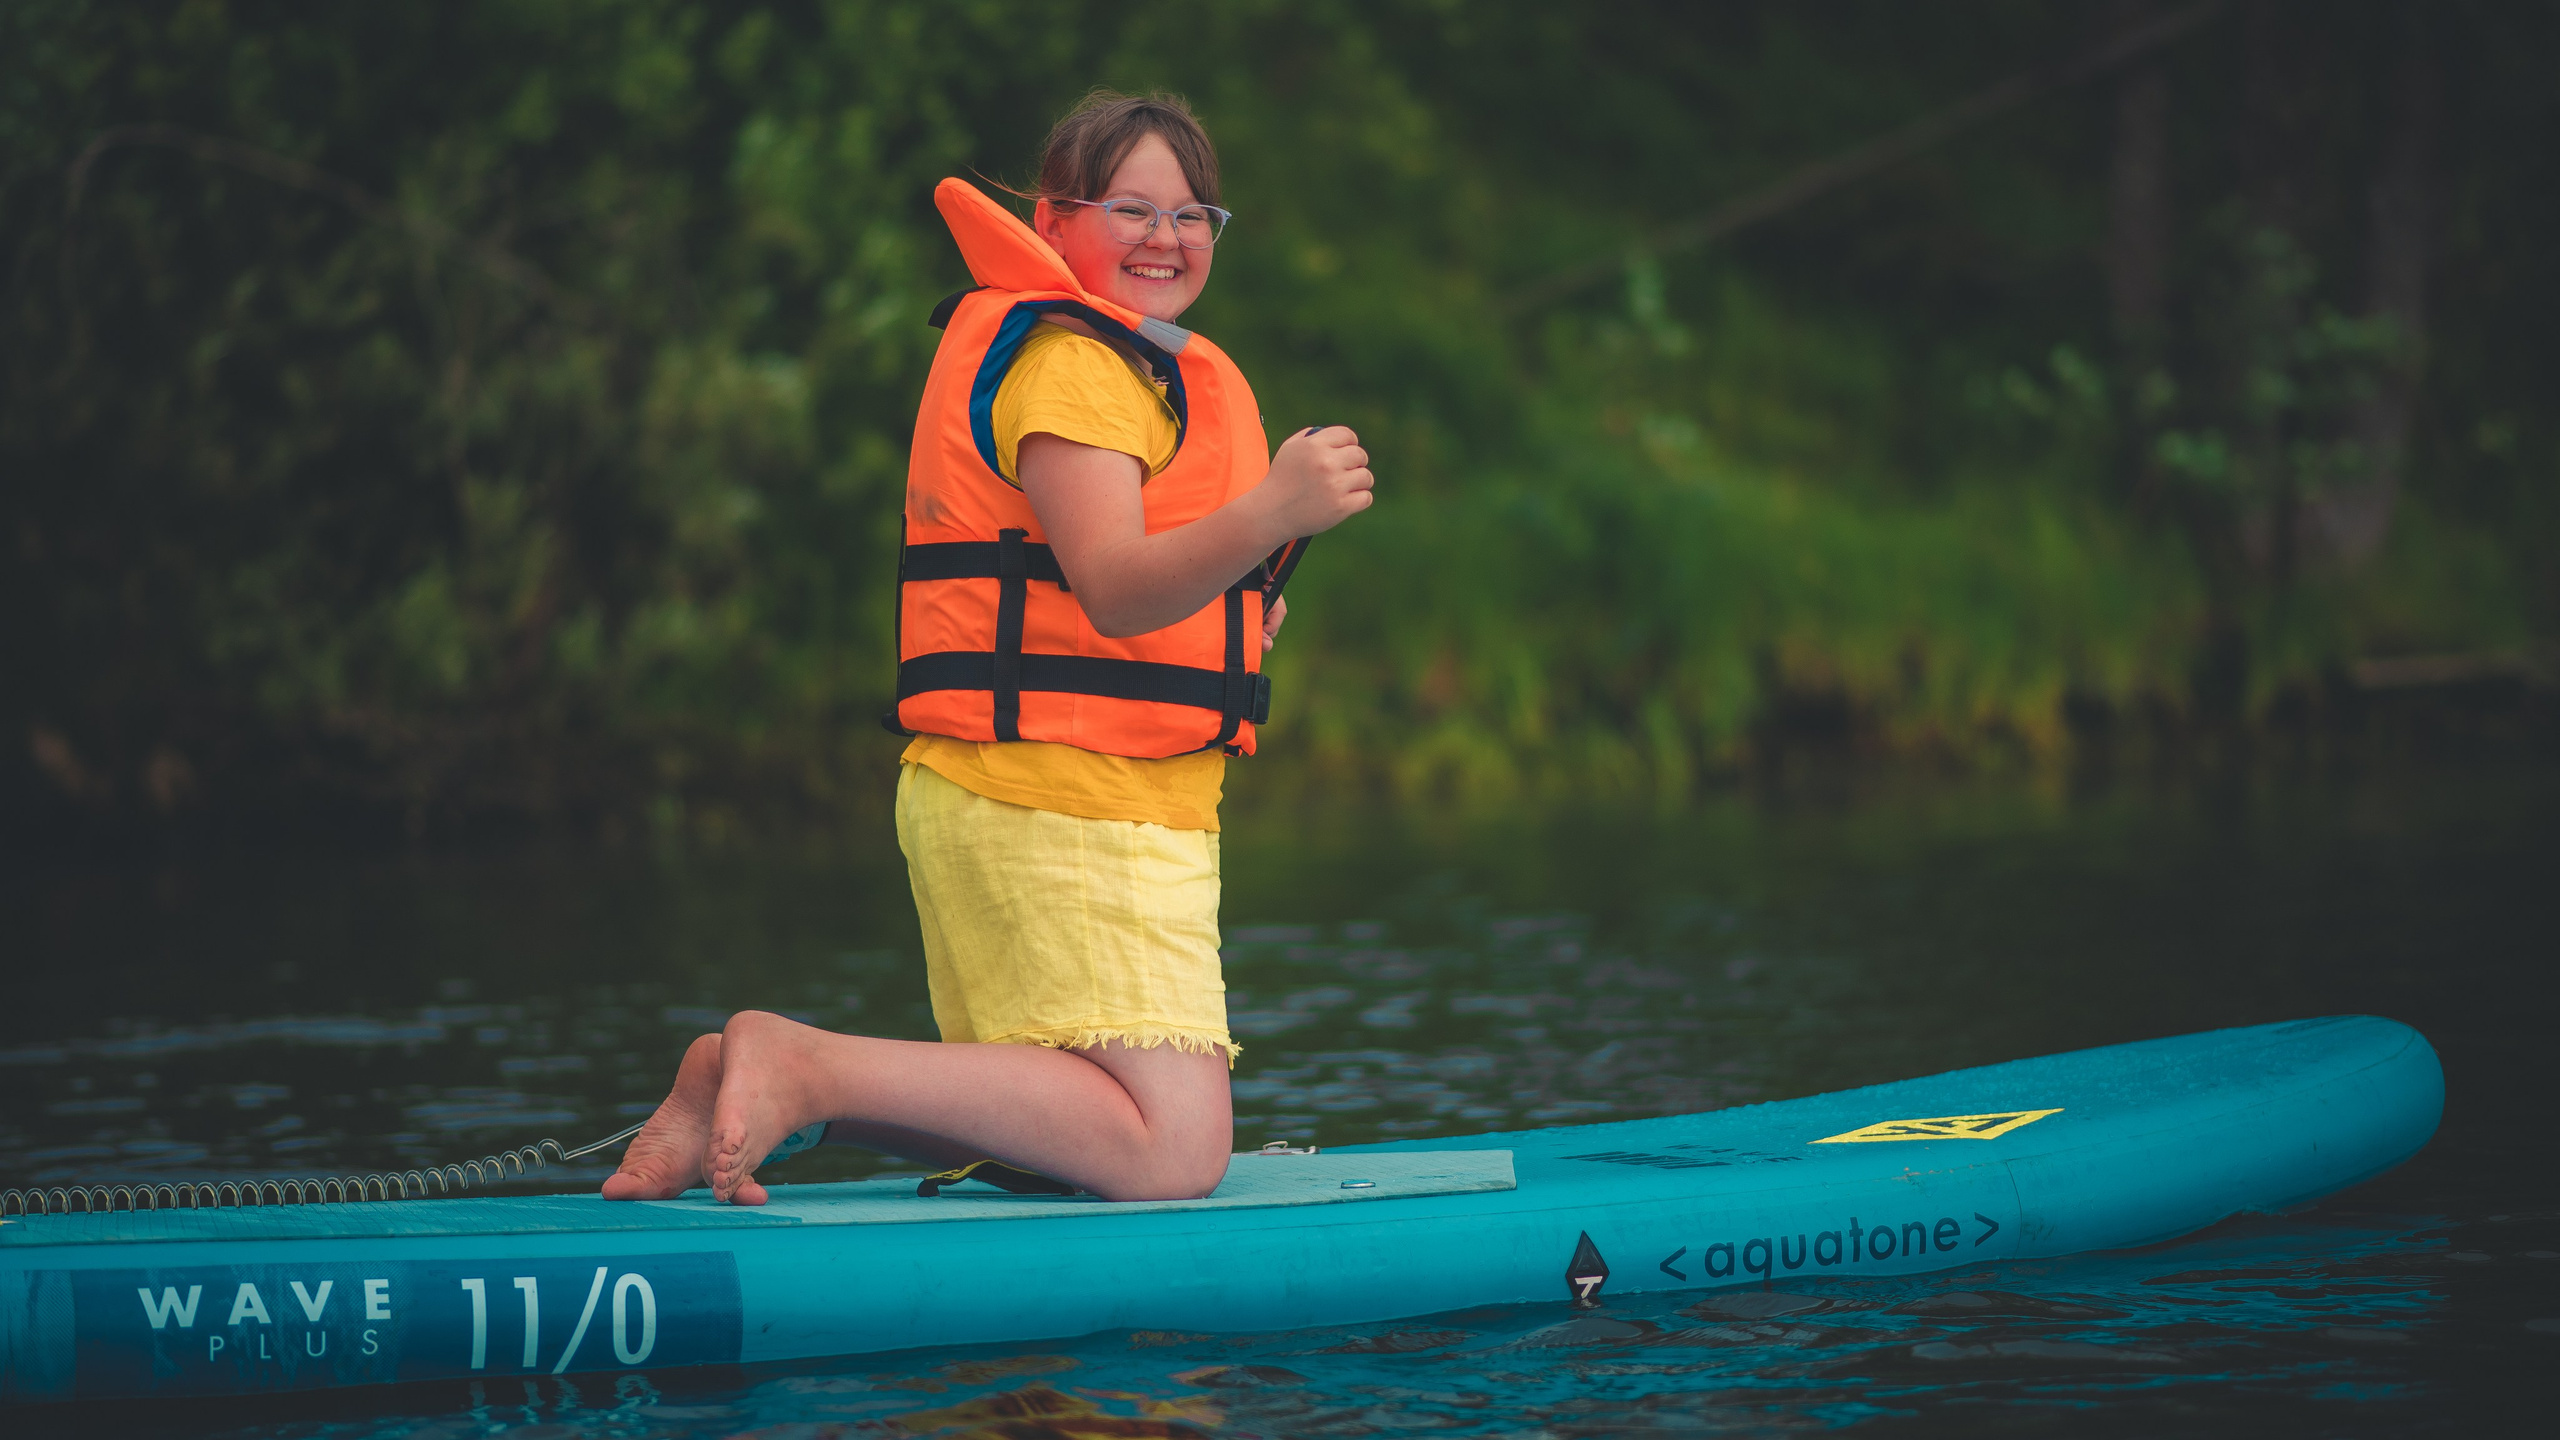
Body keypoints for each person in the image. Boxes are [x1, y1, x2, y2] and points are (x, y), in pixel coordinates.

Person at [602, 91, 1373, 1206]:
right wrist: (1274, 511)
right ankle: (800, 1066)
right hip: (1051, 798)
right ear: (1054, 221)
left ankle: (735, 1080)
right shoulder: (1071, 368)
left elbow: (1122, 591)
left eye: (1193, 213)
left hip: (1088, 796)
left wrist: (1241, 613)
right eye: (1132, 209)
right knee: (1168, 1150)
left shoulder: (1130, 368)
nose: (1166, 238)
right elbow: (1110, 588)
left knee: (1081, 1124)